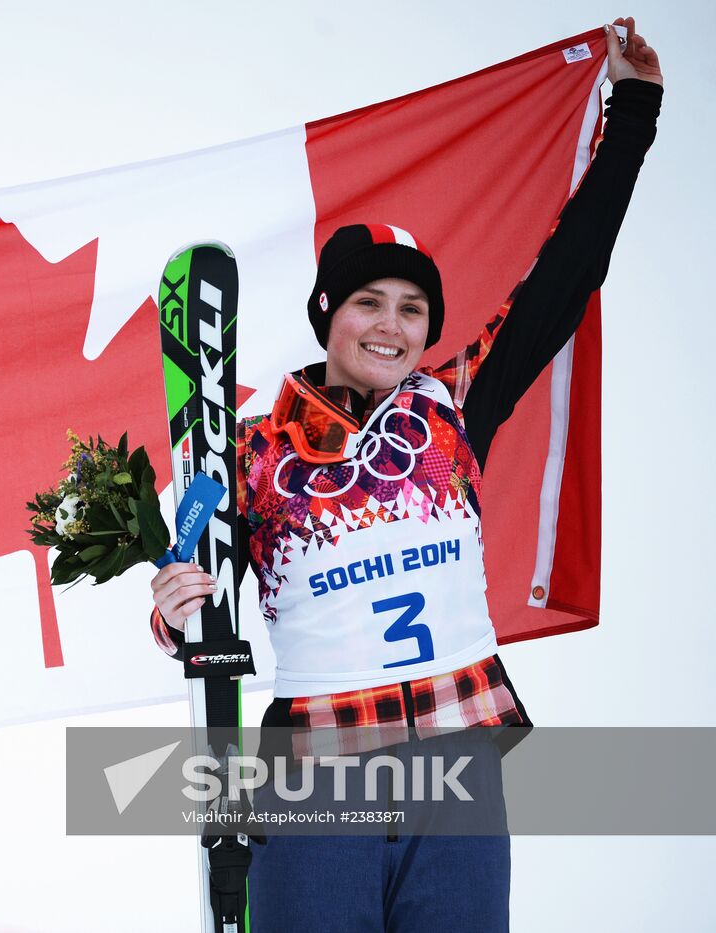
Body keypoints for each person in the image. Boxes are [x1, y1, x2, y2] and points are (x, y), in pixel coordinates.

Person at [149, 17, 661, 933]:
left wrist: (633, 116)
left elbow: (565, 277)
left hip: (457, 769)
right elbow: (189, 592)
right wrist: (173, 601)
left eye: (413, 308)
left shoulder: (454, 406)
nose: (391, 325)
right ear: (326, 317)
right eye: (367, 303)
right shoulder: (252, 450)